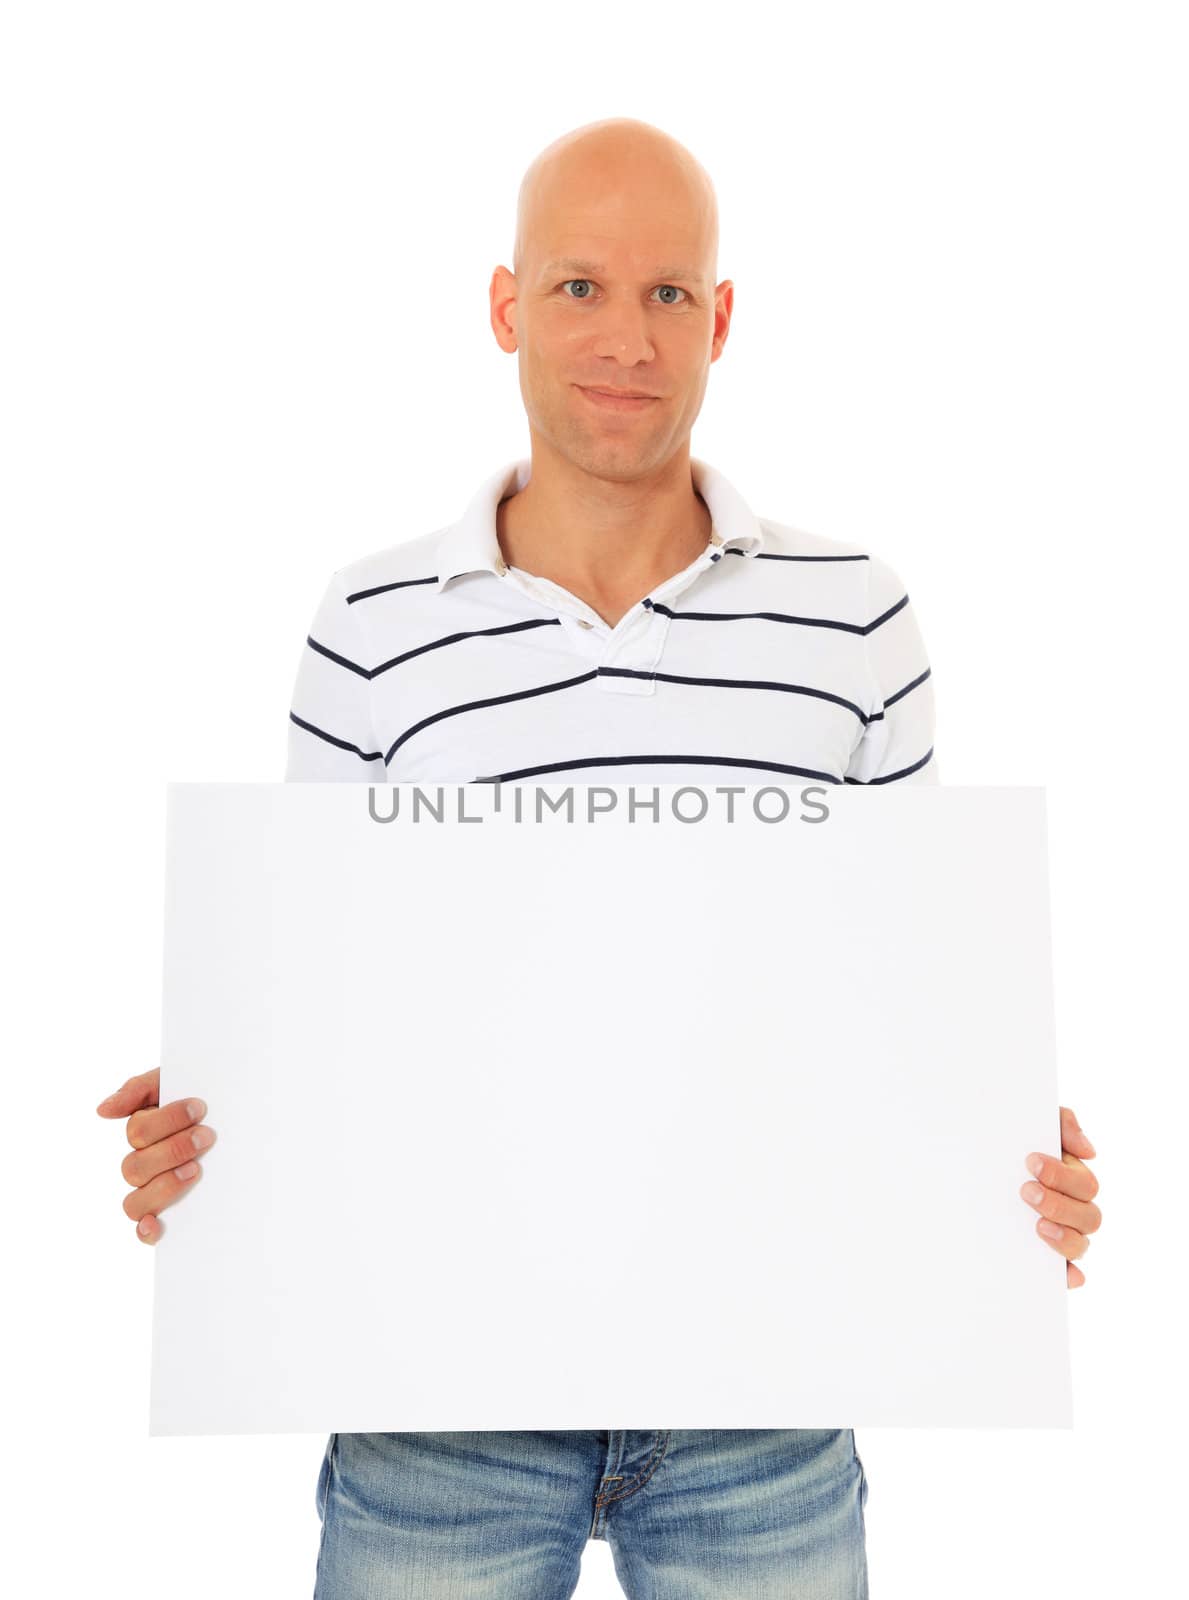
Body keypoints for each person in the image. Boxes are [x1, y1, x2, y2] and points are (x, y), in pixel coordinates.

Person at [96, 116, 1102, 1599]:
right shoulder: (370, 625)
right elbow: (315, 994)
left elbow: (908, 996)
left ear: (721, 321)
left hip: (760, 1396)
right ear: (504, 307)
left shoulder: (856, 620)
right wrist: (218, 1141)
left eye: (666, 293)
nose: (623, 336)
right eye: (576, 287)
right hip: (436, 1400)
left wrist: (1002, 1169)